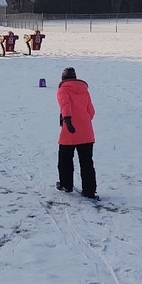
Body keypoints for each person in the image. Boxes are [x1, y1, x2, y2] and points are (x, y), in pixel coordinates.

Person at [55, 67, 98, 199]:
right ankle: (89, 190)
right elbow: (91, 111)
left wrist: (67, 120)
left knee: (65, 158)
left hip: (70, 129)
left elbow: (65, 104)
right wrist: (83, 121)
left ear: (63, 78)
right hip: (86, 130)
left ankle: (66, 184)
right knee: (87, 162)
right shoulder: (84, 90)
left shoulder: (63, 89)